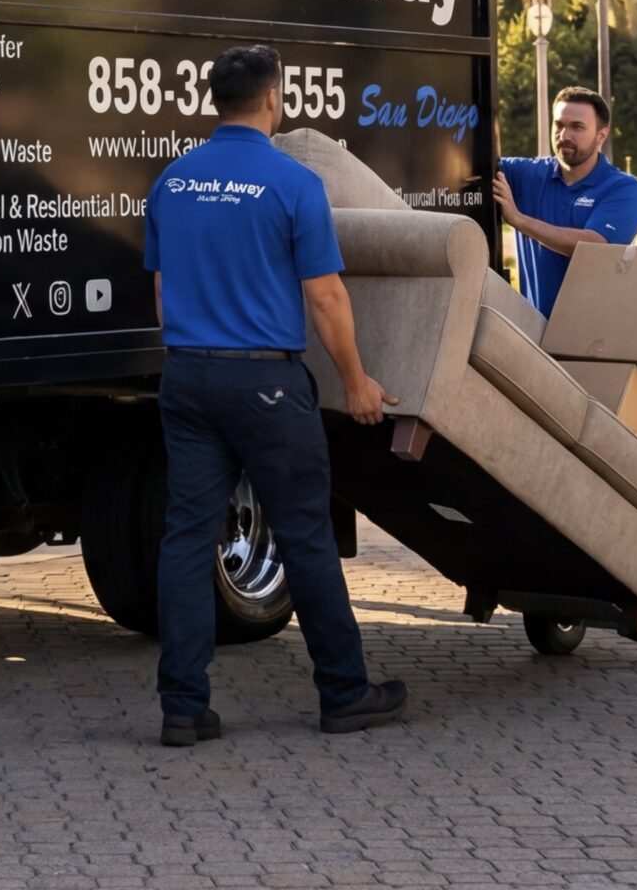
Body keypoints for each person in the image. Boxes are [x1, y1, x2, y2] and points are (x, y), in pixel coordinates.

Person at [144, 43, 410, 747]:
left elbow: (164, 294)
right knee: (303, 536)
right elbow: (325, 297)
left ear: (214, 101)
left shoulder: (172, 181)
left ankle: (182, 706)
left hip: (188, 374)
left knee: (187, 538)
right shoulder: (292, 184)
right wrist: (355, 381)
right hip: (264, 381)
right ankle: (345, 693)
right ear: (272, 100)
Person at [492, 88, 637, 313]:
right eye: (559, 125)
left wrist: (519, 220)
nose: (564, 136)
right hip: (531, 334)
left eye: (577, 127)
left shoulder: (623, 188)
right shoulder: (525, 174)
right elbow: (467, 161)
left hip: (594, 337)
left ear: (601, 136)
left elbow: (593, 246)